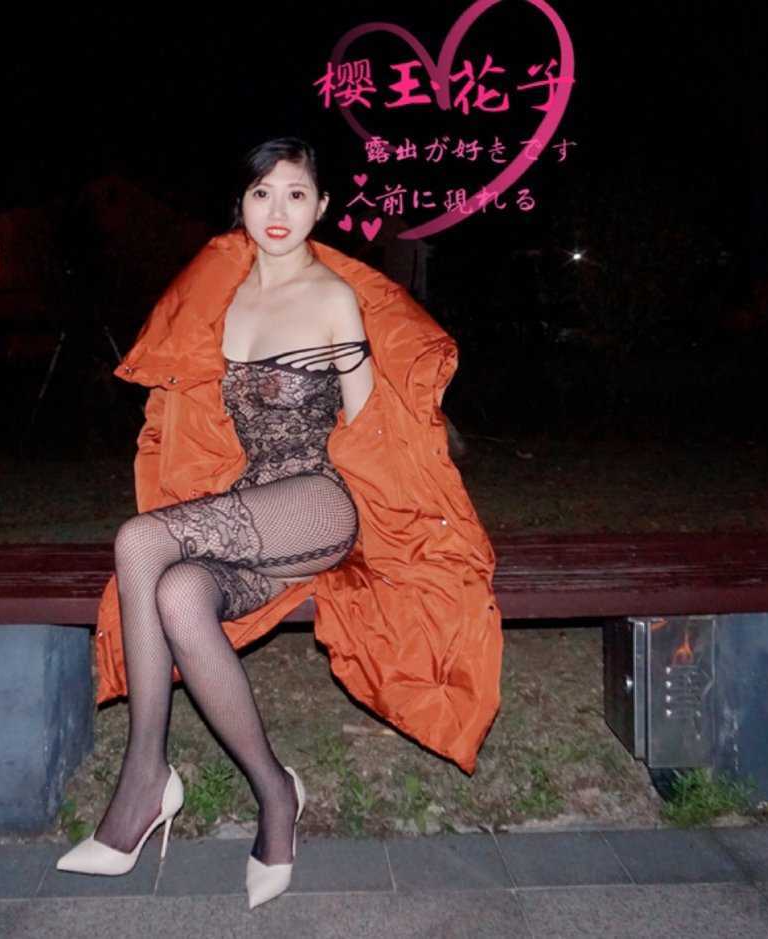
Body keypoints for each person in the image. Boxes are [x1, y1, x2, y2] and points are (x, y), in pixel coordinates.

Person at [57, 137, 503, 911]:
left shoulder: (331, 297)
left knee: (141, 538)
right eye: (261, 192)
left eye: (296, 194)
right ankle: (275, 791)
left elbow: (369, 430)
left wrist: (402, 525)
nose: (277, 210)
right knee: (178, 593)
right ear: (240, 203)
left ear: (321, 207)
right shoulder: (222, 293)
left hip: (320, 500)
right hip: (254, 506)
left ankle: (144, 779)